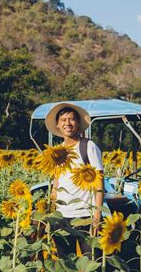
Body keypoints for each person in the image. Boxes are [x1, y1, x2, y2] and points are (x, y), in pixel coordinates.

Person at [44, 102, 104, 258]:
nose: (67, 123)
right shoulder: (58, 151)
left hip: (85, 215)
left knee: (91, 263)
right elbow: (56, 183)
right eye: (63, 120)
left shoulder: (88, 146)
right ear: (58, 124)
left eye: (71, 119)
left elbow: (99, 183)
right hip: (61, 216)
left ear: (78, 123)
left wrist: (97, 216)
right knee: (67, 263)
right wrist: (51, 211)